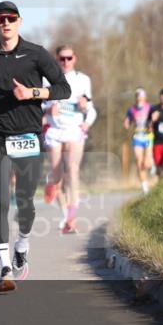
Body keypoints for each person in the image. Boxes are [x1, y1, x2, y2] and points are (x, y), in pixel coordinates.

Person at [0, 1, 70, 292]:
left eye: (11, 18)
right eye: (1, 19)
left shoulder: (35, 54)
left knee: (25, 202)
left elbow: (63, 88)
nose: (6, 23)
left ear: (19, 22)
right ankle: (5, 268)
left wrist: (33, 93)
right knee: (1, 199)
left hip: (28, 136)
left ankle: (22, 245)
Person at [42, 45, 96, 235]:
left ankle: (71, 218)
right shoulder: (46, 79)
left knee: (72, 170)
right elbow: (36, 106)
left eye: (69, 58)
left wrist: (86, 117)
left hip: (74, 129)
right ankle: (65, 213)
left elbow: (91, 109)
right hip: (55, 130)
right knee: (57, 177)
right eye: (62, 59)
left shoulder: (83, 80)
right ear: (56, 60)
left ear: (75, 58)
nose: (65, 62)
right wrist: (48, 109)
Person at [123, 88, 154, 194]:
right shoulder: (132, 109)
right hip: (137, 137)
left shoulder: (150, 107)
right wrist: (126, 123)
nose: (139, 98)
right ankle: (145, 187)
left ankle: (151, 165)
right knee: (139, 161)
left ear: (145, 97)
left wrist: (152, 124)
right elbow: (128, 119)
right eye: (137, 96)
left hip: (148, 136)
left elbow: (155, 118)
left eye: (141, 96)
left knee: (147, 161)